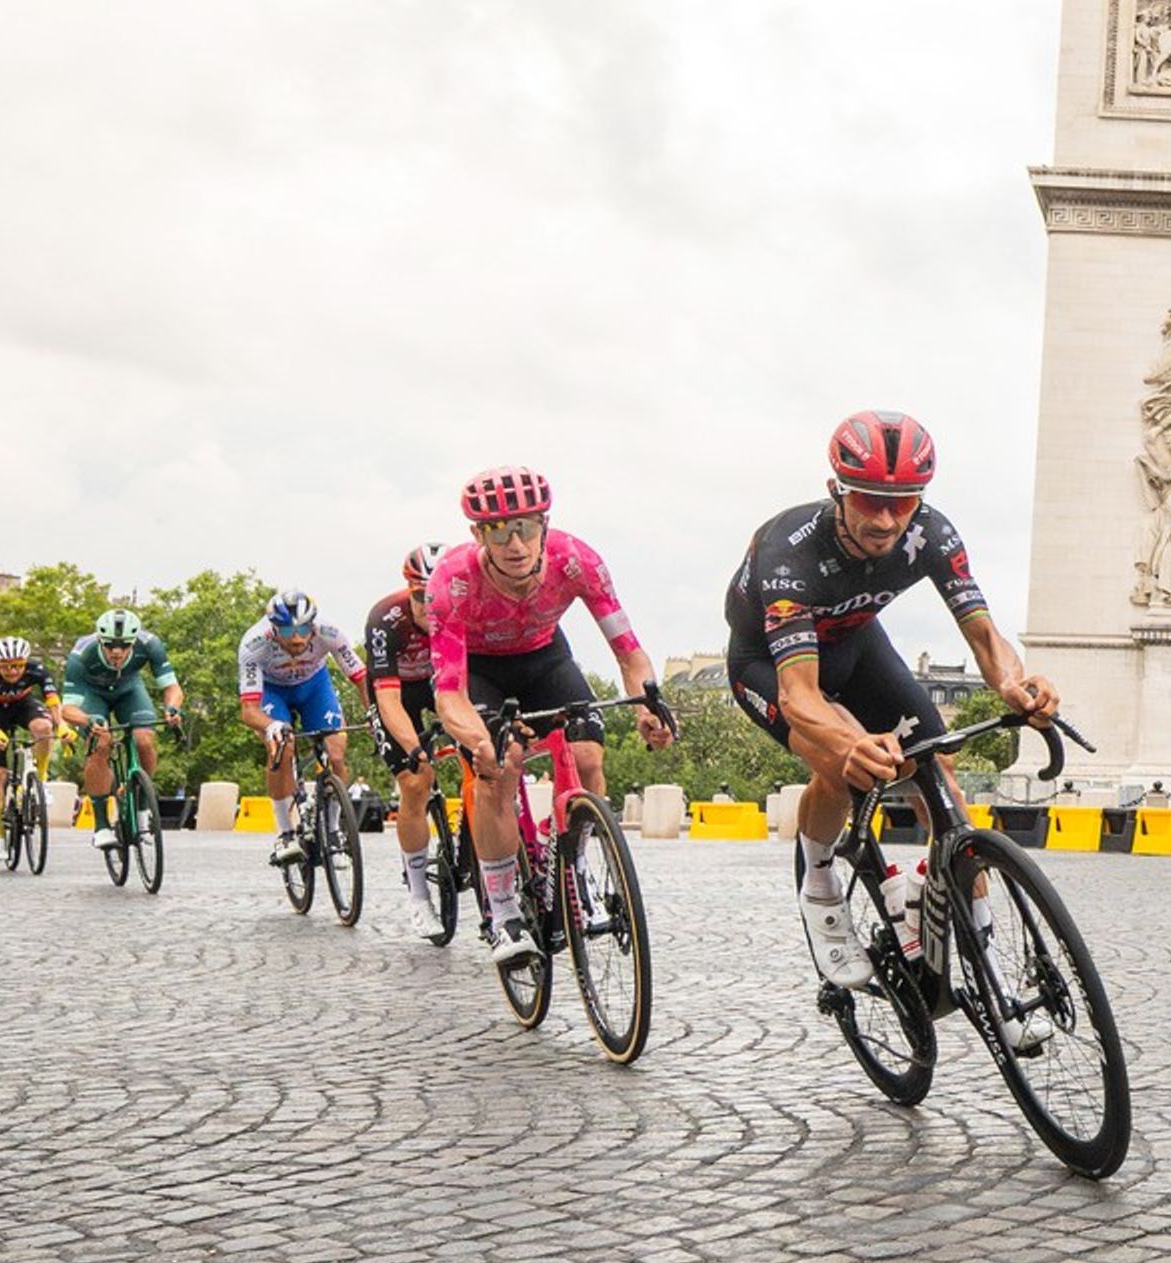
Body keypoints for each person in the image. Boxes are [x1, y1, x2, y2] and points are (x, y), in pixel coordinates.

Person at [725, 412, 1062, 990]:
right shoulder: (791, 553)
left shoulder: (932, 533)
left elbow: (983, 635)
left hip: (857, 647)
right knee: (838, 768)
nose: (885, 519)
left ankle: (988, 968)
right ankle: (822, 890)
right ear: (838, 490)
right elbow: (799, 694)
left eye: (902, 502)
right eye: (869, 500)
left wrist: (1013, 682)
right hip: (771, 663)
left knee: (940, 775)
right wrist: (851, 742)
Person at [431, 469, 677, 976]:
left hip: (545, 659)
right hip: (478, 672)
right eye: (499, 531)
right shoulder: (451, 581)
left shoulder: (576, 560)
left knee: (587, 753)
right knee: (501, 766)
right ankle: (503, 914)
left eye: (525, 526)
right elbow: (449, 695)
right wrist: (480, 742)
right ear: (479, 535)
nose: (515, 543)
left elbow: (630, 655)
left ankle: (574, 859)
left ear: (545, 523)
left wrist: (646, 706)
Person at [236, 588, 366, 868]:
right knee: (282, 747)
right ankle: (285, 833)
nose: (296, 638)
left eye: (303, 629)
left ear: (313, 625)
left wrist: (374, 713)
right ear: (273, 628)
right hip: (273, 692)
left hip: (314, 687)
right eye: (286, 631)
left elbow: (361, 677)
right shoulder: (254, 643)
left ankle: (332, 830)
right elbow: (249, 711)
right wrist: (271, 726)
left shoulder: (330, 633)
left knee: (336, 752)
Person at [363, 544, 452, 917]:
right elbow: (388, 702)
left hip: (441, 683)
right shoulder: (386, 617)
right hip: (396, 692)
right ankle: (418, 896)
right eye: (420, 596)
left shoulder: (463, 612)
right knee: (416, 781)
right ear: (409, 591)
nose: (429, 606)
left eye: (438, 596)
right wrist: (415, 750)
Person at [59, 608, 185, 830]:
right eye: (109, 645)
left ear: (133, 641)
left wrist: (172, 708)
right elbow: (67, 709)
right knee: (101, 743)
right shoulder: (81, 654)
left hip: (129, 691)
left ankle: (142, 805)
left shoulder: (150, 644)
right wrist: (87, 719)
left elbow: (172, 687)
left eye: (125, 645)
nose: (116, 652)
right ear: (100, 640)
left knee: (144, 740)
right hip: (93, 696)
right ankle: (101, 825)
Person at [0, 638, 55, 831]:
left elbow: (53, 702)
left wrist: (62, 725)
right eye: (6, 667)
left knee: (44, 728)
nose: (13, 671)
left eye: (17, 666)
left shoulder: (37, 670)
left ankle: (41, 778)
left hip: (23, 705)